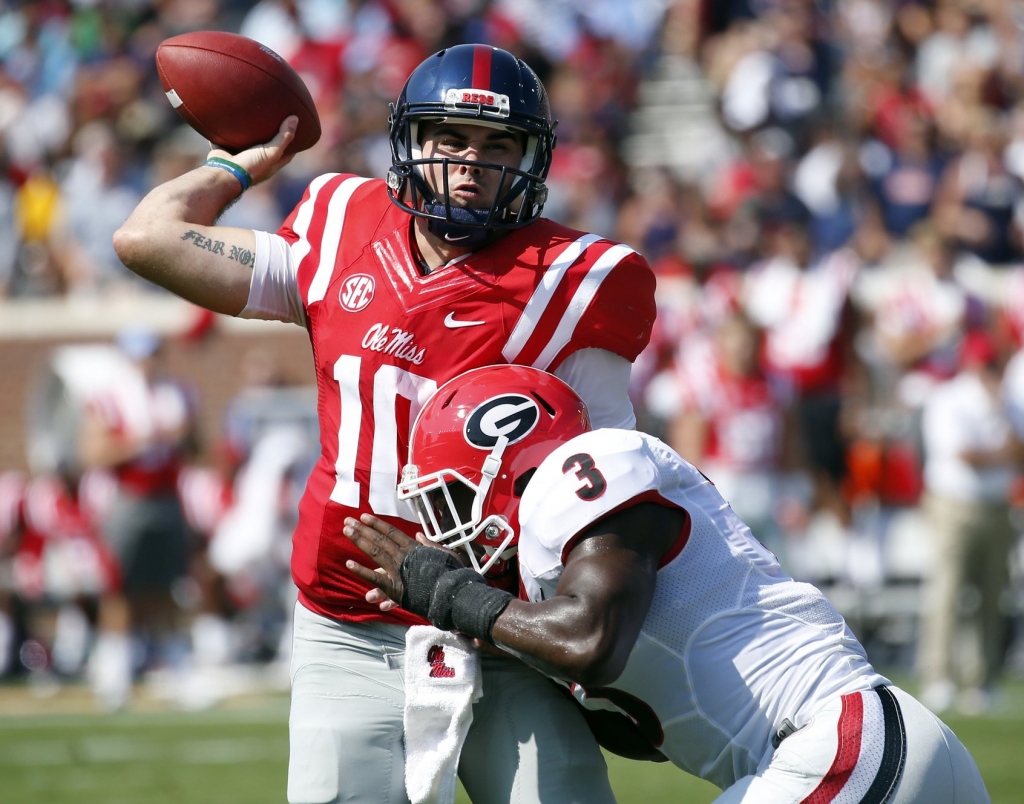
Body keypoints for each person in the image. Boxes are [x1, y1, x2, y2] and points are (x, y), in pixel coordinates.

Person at [113, 44, 656, 804]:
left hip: (498, 628)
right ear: (411, 144)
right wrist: (240, 166)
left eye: (498, 144)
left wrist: (578, 626)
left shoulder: (577, 279)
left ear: (533, 157)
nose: (472, 163)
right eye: (450, 140)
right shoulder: (340, 223)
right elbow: (147, 238)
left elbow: (601, 480)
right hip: (347, 622)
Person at [343, 364, 991, 804]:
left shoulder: (582, 469)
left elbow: (590, 641)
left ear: (508, 465)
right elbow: (649, 729)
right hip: (859, 752)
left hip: (839, 743)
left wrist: (455, 598)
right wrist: (504, 638)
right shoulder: (567, 572)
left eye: (451, 496)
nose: (445, 527)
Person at [916, 327, 1024, 715]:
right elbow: (964, 455)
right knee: (947, 591)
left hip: (996, 507)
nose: (988, 371)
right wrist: (1004, 453)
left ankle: (982, 679)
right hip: (954, 505)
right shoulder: (948, 400)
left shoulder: (1008, 403)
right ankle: (939, 676)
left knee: (992, 595)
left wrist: (1001, 422)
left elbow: (1019, 452)